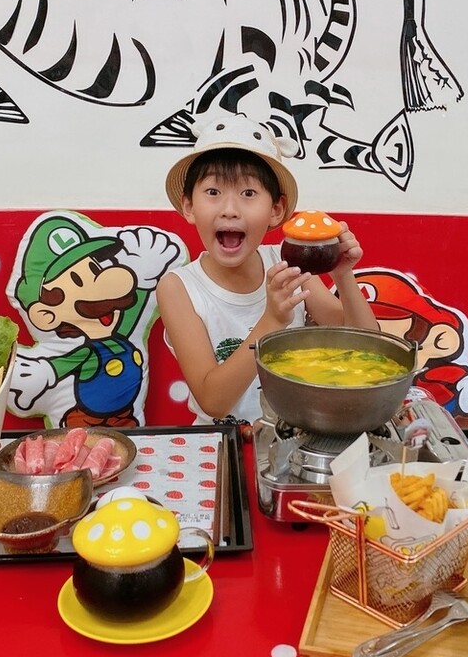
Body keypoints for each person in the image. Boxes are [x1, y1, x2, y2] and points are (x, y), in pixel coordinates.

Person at [158, 114, 379, 425]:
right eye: (213, 192)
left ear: (276, 210)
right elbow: (213, 402)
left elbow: (365, 348)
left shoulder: (287, 265)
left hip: (295, 433)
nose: (230, 210)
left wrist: (342, 276)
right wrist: (272, 320)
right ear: (189, 207)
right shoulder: (178, 287)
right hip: (224, 440)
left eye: (248, 193)